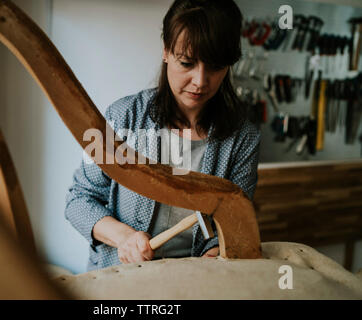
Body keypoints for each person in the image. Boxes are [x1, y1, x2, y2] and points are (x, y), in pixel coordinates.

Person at [65, 0, 260, 271]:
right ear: (166, 51)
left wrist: (215, 252)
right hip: (119, 277)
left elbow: (234, 219)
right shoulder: (122, 117)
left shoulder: (243, 138)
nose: (201, 81)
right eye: (187, 63)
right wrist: (124, 238)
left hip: (194, 282)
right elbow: (79, 201)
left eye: (215, 67)